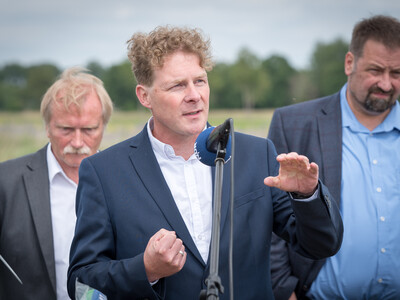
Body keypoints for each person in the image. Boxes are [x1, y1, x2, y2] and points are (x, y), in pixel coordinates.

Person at [67, 26, 343, 300]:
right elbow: (81, 284)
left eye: (199, 81)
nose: (194, 95)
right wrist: (145, 269)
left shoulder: (257, 153)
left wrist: (307, 196)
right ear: (144, 96)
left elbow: (321, 245)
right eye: (177, 85)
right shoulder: (104, 172)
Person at [269, 15, 400, 300]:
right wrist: (283, 290)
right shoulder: (292, 122)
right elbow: (270, 218)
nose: (387, 84)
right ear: (349, 63)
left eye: (397, 73)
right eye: (376, 70)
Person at [0, 66, 113, 300]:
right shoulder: (6, 182)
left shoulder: (126, 178)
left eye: (89, 129)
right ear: (47, 127)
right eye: (66, 129)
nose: (78, 141)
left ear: (103, 126)